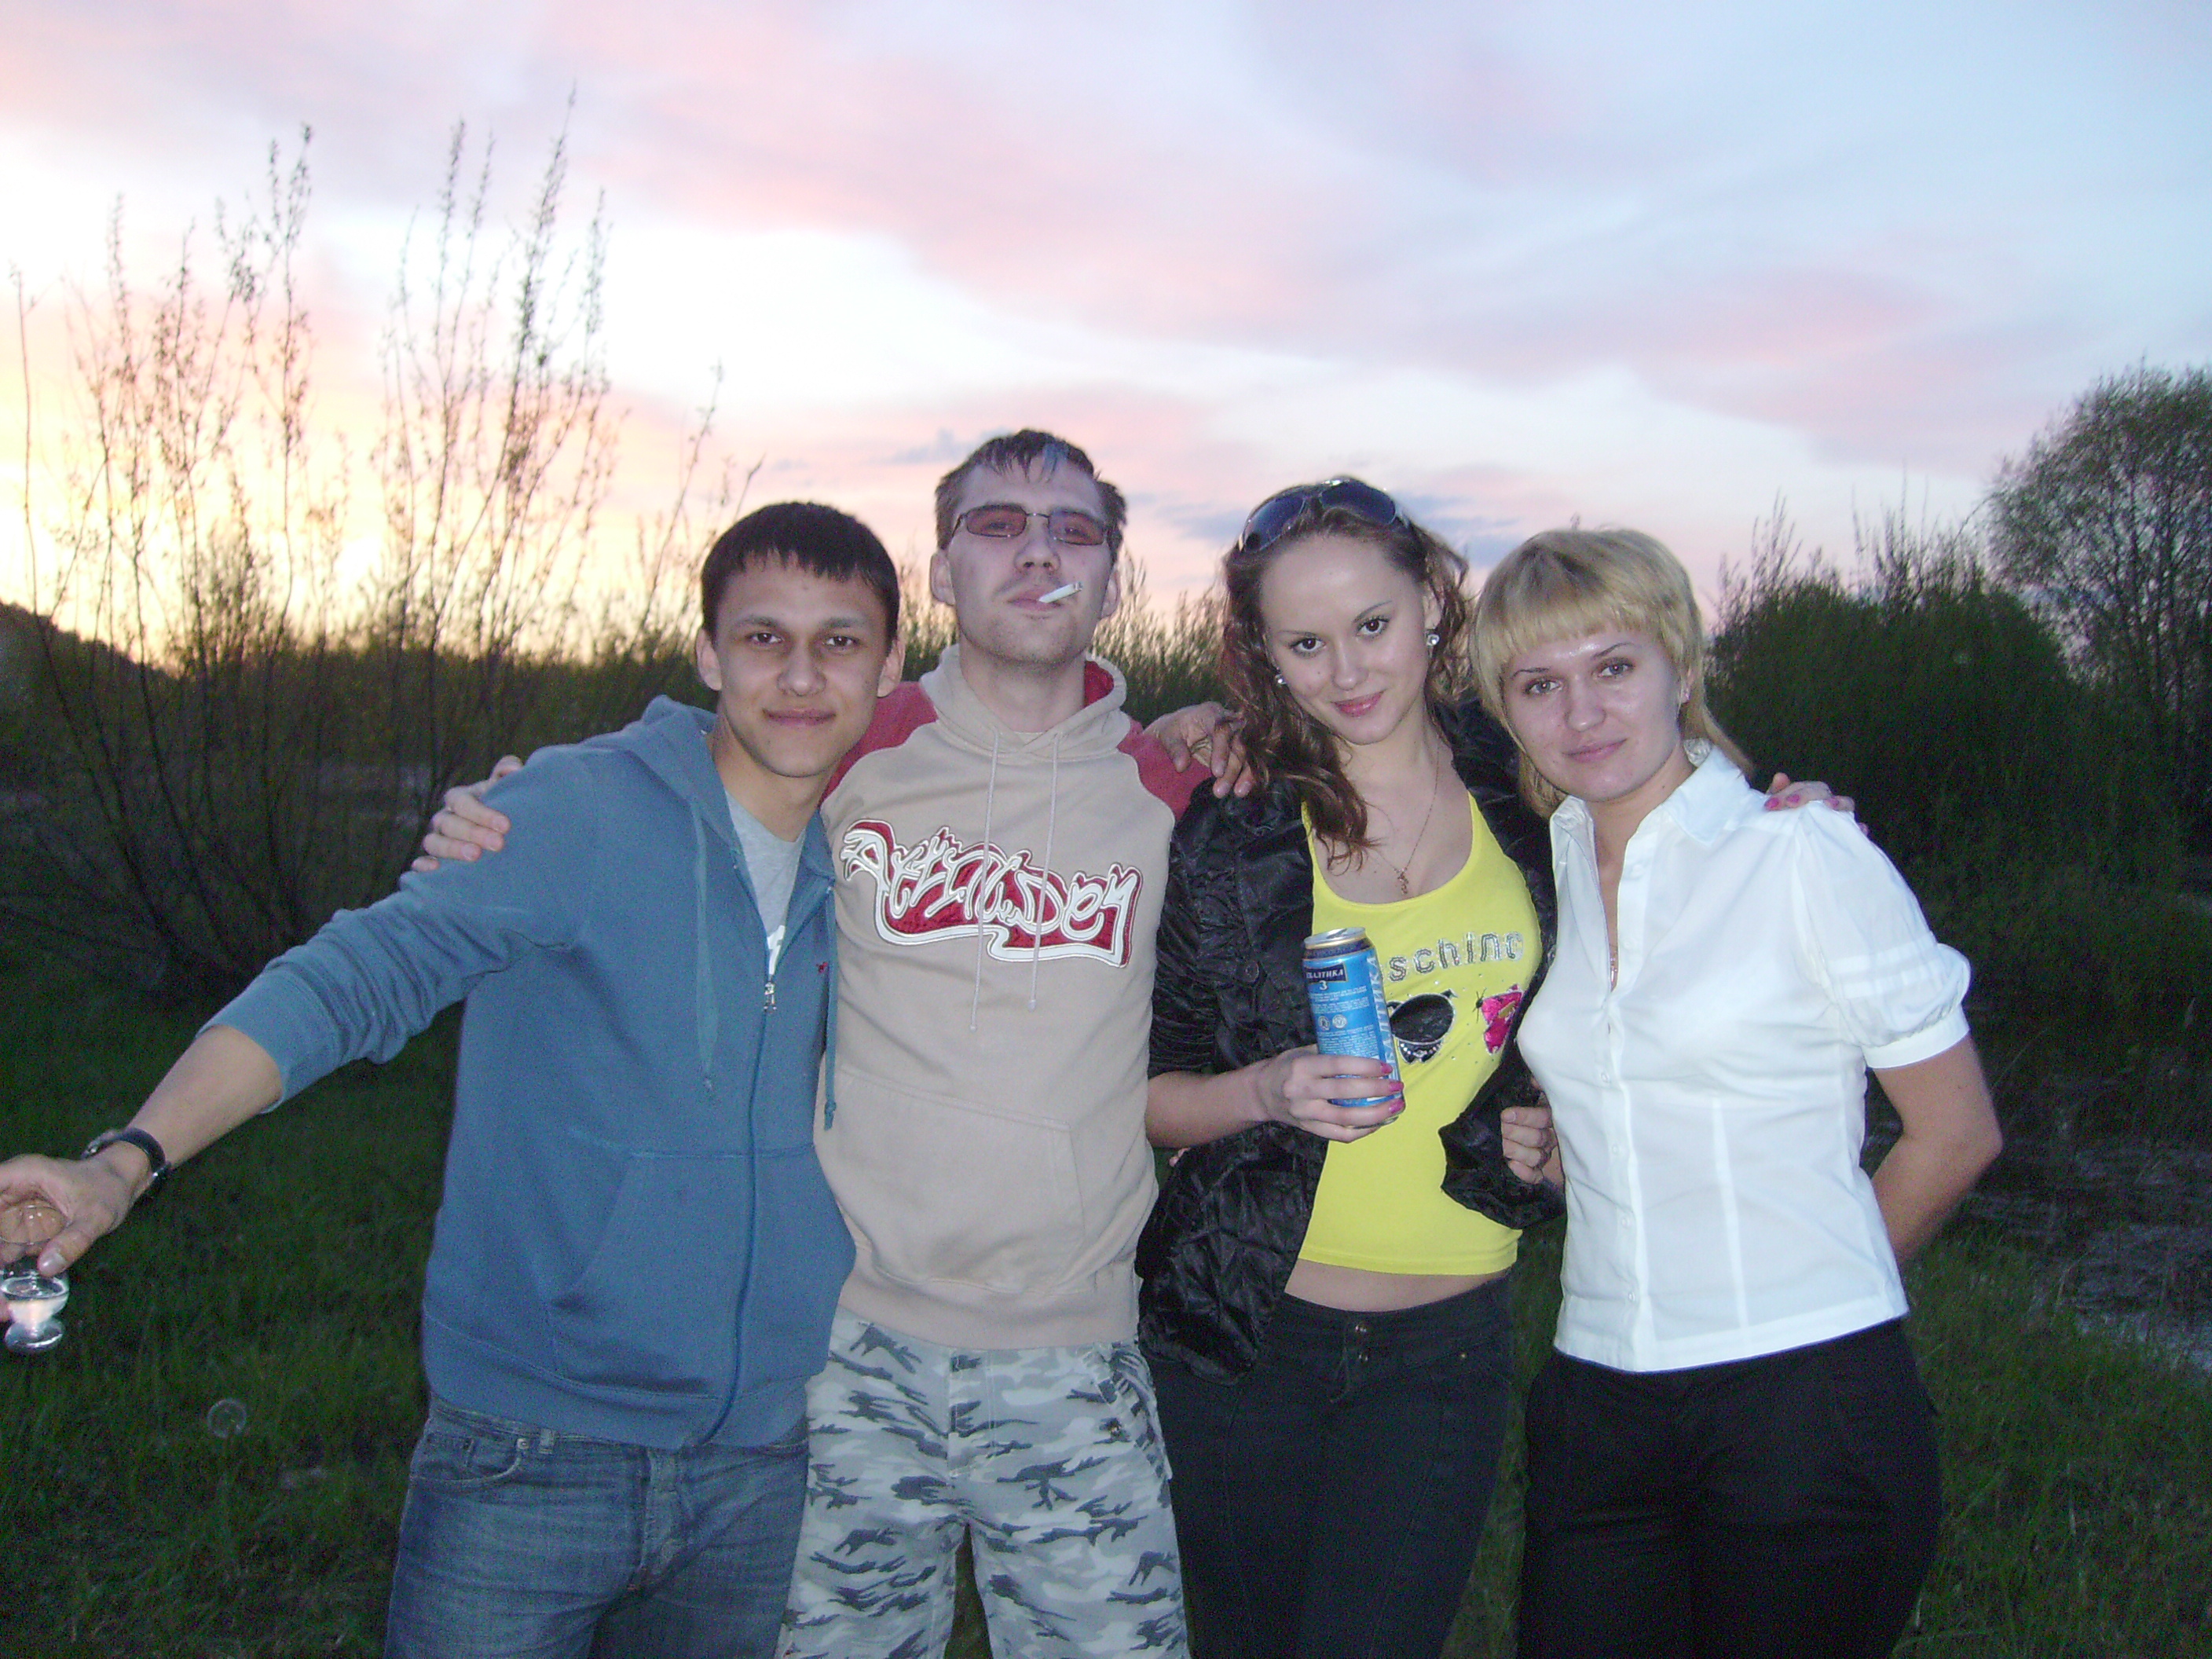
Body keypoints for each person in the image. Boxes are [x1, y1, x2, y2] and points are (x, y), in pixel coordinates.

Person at [0, 501, 906, 1659]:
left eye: (840, 641)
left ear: (889, 667)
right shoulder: (578, 811)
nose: (802, 674)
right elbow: (352, 979)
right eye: (764, 636)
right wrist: (127, 1163)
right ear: (707, 654)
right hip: (531, 1451)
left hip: (763, 1467)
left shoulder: (875, 855)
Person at [426, 433, 1206, 1658]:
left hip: (1073, 1345)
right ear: (939, 571)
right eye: (997, 524)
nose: (1037, 551)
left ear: (1113, 573)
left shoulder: (1177, 792)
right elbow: (657, 797)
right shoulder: (849, 742)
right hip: (845, 1350)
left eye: (1073, 529)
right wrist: (511, 807)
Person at [1471, 527, 2003, 1659]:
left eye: (1615, 666)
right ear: (1506, 710)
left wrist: (1816, 1317)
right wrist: (1580, 1156)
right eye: (1539, 684)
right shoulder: (1554, 863)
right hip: (1599, 1399)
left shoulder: (1802, 852)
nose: (1582, 713)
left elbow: (1956, 1135)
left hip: (1801, 1410)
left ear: (1682, 667)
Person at [1138, 479, 1564, 1659]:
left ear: (1430, 601)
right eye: (1306, 644)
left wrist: (1787, 812)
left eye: (1373, 624)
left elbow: (1667, 874)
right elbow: (1148, 1095)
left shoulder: (1535, 782)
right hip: (1247, 1328)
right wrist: (1266, 1090)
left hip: (1449, 1342)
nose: (1348, 671)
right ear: (1264, 657)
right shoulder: (1229, 822)